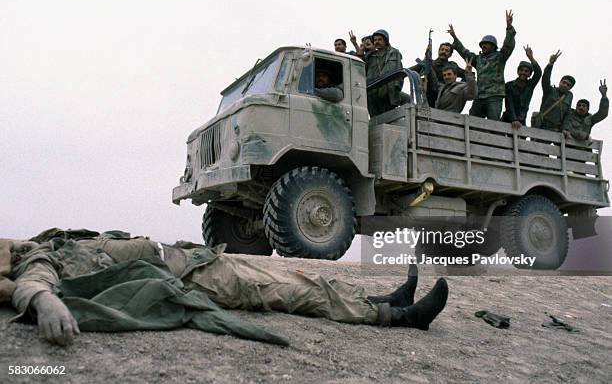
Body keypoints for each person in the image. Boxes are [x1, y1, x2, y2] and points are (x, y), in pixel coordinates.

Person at [2, 228, 448, 346]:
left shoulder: (51, 243)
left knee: (300, 278)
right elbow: (35, 285)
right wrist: (46, 304)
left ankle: (383, 298)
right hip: (196, 278)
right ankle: (399, 318)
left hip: (196, 257)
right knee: (298, 293)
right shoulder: (38, 263)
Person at [448, 10, 516, 120]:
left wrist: (509, 27)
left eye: (486, 44)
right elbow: (465, 53)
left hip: (494, 96)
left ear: (493, 46)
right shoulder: (478, 59)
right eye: (482, 44)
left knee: (493, 122)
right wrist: (455, 39)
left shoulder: (500, 57)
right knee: (473, 120)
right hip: (479, 95)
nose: (483, 46)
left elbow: (508, 45)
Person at [363, 29, 404, 116]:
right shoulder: (370, 56)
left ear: (385, 40)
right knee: (375, 119)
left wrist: (397, 86)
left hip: (388, 90)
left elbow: (398, 69)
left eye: (379, 39)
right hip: (372, 91)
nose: (377, 42)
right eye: (375, 40)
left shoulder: (394, 52)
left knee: (389, 117)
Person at [411, 42, 467, 107]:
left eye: (447, 51)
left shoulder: (453, 65)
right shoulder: (429, 63)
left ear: (450, 54)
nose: (443, 52)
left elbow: (467, 74)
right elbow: (410, 70)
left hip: (445, 97)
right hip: (429, 97)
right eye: (442, 49)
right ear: (438, 51)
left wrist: (457, 88)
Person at [532, 50, 574, 131]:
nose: (565, 85)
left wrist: (565, 128)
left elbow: (567, 114)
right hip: (542, 125)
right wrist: (550, 64)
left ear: (570, 88)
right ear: (560, 82)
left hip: (556, 129)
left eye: (568, 85)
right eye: (564, 82)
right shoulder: (550, 90)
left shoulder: (569, 96)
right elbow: (545, 79)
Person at [502, 45, 543, 128]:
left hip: (522, 120)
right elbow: (509, 104)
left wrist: (531, 58)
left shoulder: (530, 85)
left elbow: (538, 72)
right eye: (521, 70)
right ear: (518, 71)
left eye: (526, 71)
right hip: (508, 119)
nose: (523, 73)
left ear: (530, 74)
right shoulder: (509, 85)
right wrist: (514, 119)